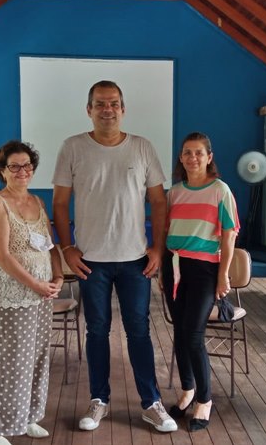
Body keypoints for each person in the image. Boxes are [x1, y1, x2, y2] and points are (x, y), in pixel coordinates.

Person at [52, 80, 177, 433]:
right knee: (96, 331)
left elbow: (158, 201)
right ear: (88, 109)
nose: (107, 109)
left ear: (123, 109)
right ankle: (99, 400)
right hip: (91, 261)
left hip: (135, 259)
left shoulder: (142, 147)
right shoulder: (72, 147)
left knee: (139, 331)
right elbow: (59, 203)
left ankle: (151, 403)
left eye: (113, 103)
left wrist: (157, 247)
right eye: (100, 103)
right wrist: (67, 248)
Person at [0, 140, 64, 444]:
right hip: (14, 295)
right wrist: (35, 284)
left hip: (42, 294)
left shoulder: (37, 201)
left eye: (27, 165)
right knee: (11, 360)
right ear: (3, 170)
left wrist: (58, 275)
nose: (22, 171)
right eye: (14, 166)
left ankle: (27, 416)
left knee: (37, 357)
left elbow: (49, 245)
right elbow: (1, 255)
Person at [160, 132, 240, 432]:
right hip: (174, 265)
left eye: (198, 153)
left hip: (205, 269)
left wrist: (223, 275)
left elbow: (229, 236)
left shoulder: (220, 190)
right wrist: (162, 272)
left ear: (209, 157)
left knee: (193, 334)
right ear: (181, 158)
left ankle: (205, 399)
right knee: (180, 333)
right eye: (187, 153)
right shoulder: (174, 192)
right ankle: (188, 390)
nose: (192, 157)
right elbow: (166, 231)